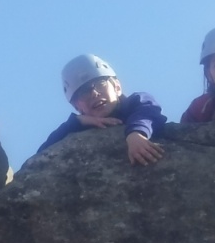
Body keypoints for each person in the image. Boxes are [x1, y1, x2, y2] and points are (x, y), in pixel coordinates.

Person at [38, 54, 166, 165]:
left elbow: (148, 109)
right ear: (77, 107)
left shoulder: (136, 102)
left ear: (117, 87)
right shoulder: (79, 129)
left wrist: (136, 133)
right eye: (83, 92)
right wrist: (76, 122)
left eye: (100, 84)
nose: (94, 93)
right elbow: (41, 156)